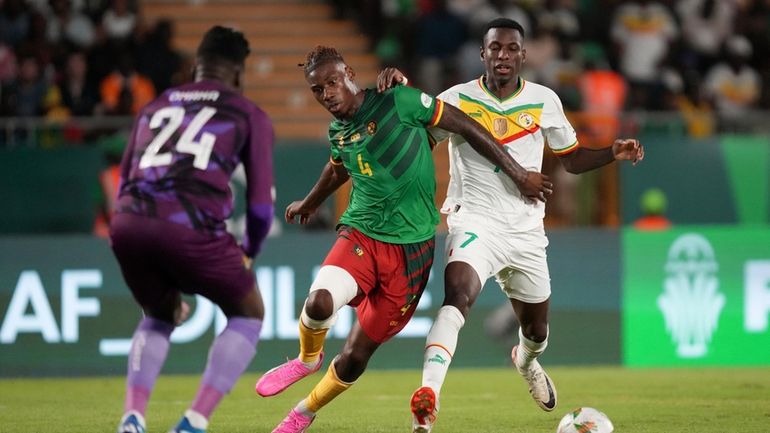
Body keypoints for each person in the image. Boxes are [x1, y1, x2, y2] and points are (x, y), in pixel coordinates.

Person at [254, 45, 552, 433]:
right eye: (316, 89)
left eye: (331, 83)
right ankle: (306, 358)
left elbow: (465, 125)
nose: (326, 93)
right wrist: (310, 202)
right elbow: (338, 167)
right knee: (319, 302)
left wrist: (517, 173)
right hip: (362, 232)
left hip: (411, 255)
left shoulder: (401, 101)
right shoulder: (338, 130)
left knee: (354, 357)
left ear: (348, 74)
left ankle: (303, 413)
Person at [377, 17, 645, 433]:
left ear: (523, 54)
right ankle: (427, 402)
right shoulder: (457, 98)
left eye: (511, 49)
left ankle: (526, 360)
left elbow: (570, 159)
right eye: (495, 48)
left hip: (525, 231)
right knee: (457, 297)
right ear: (482, 54)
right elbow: (418, 137)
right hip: (473, 221)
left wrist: (611, 151)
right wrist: (398, 93)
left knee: (537, 331)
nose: (503, 55)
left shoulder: (544, 100)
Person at [111, 26, 274, 433]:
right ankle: (193, 421)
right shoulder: (248, 113)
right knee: (248, 312)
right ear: (238, 73)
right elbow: (259, 205)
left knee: (160, 313)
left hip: (128, 224)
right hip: (190, 227)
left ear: (195, 66)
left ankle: (132, 418)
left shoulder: (154, 106)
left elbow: (124, 177)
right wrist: (250, 249)